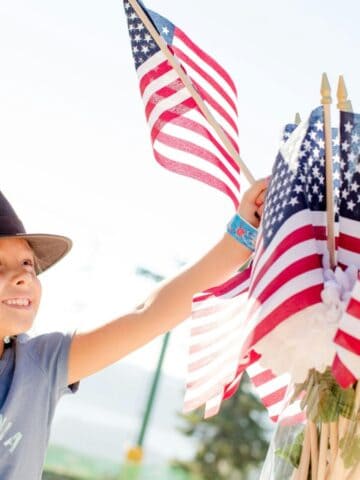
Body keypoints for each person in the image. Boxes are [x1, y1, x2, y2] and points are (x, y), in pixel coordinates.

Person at [0, 177, 268, 479]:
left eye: (27, 264)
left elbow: (148, 314)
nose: (23, 277)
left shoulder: (39, 365)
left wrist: (245, 231)